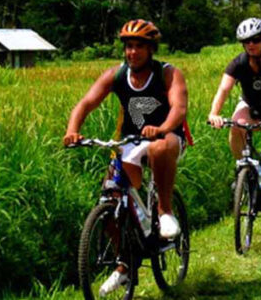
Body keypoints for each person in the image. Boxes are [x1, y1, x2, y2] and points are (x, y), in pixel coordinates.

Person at [63, 19, 189, 297]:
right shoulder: (116, 75)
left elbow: (179, 108)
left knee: (159, 148)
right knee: (112, 199)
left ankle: (165, 211)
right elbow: (86, 103)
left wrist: (163, 128)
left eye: (140, 47)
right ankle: (125, 263)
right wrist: (73, 130)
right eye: (129, 47)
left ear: (151, 49)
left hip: (167, 137)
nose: (133, 52)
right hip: (130, 141)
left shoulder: (168, 73)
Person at [207, 18, 261, 229]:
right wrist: (214, 113)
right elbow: (224, 90)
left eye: (255, 40)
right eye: (246, 41)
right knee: (236, 125)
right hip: (250, 106)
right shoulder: (238, 63)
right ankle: (242, 168)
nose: (251, 44)